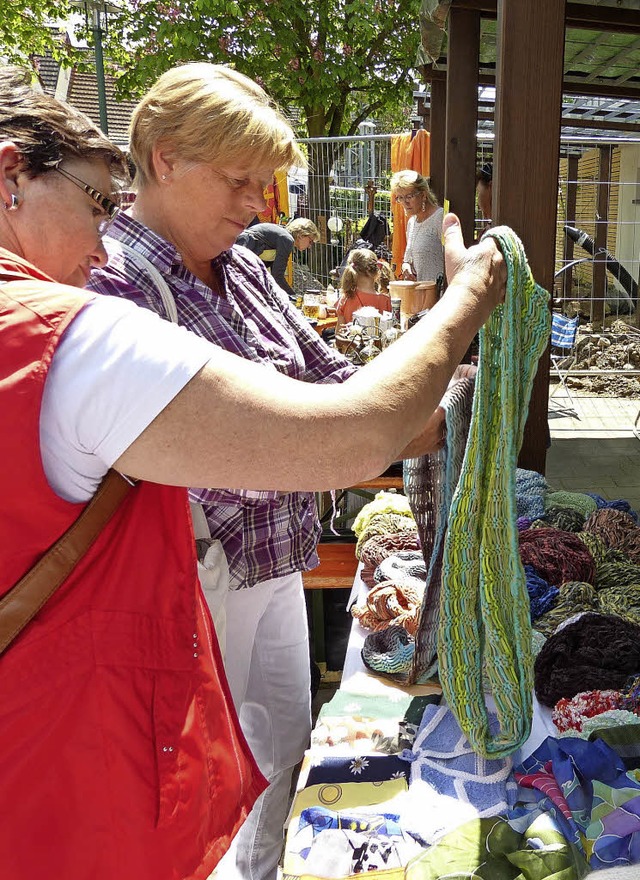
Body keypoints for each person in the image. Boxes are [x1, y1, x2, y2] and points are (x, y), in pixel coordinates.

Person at [0, 64, 505, 880]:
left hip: (271, 559)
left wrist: (437, 410)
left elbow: (334, 388)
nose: (254, 206)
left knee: (270, 758)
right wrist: (454, 316)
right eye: (239, 181)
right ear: (164, 159)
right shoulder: (105, 290)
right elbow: (312, 438)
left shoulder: (236, 268)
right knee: (188, 790)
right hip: (185, 586)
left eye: (264, 187)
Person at [236, 217, 320, 299]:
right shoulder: (287, 239)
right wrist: (293, 296)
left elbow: (273, 276)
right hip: (244, 249)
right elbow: (277, 275)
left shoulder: (283, 236)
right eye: (310, 241)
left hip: (242, 247)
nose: (309, 246)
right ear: (302, 235)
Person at [391, 169, 444, 283]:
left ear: (423, 194)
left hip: (440, 295)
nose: (405, 202)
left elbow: (452, 260)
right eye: (400, 197)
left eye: (409, 196)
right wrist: (406, 267)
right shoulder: (412, 222)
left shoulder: (440, 217)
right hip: (418, 295)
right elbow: (408, 259)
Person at [336, 247, 392, 329]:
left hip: (350, 341)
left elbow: (339, 333)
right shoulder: (386, 301)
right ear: (376, 272)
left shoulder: (345, 298)